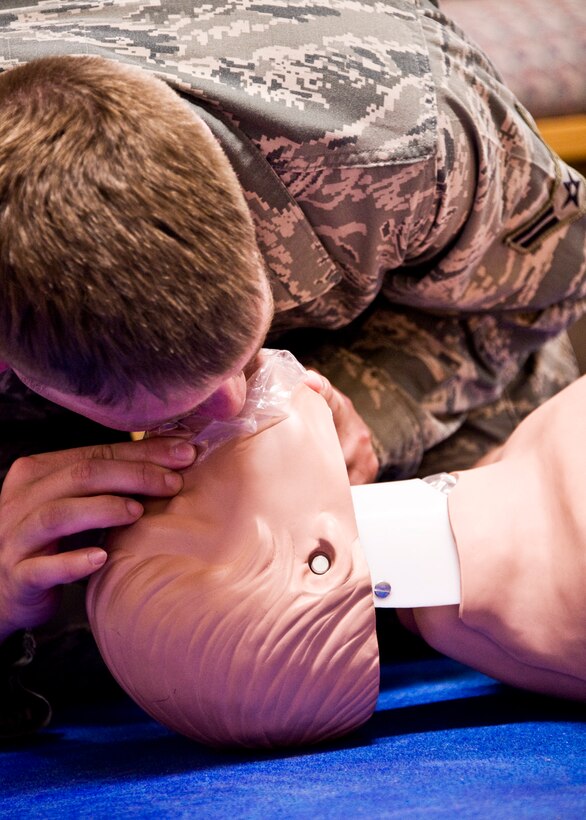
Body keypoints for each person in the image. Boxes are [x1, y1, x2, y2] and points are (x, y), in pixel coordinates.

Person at [0, 0, 585, 734]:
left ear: (252, 234)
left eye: (241, 353)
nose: (228, 406)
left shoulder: (399, 123)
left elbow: (537, 296)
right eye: (162, 411)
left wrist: (380, 411)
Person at [86, 353, 585, 749]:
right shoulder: (558, 558)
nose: (172, 428)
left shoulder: (495, 518)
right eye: (179, 490)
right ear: (319, 563)